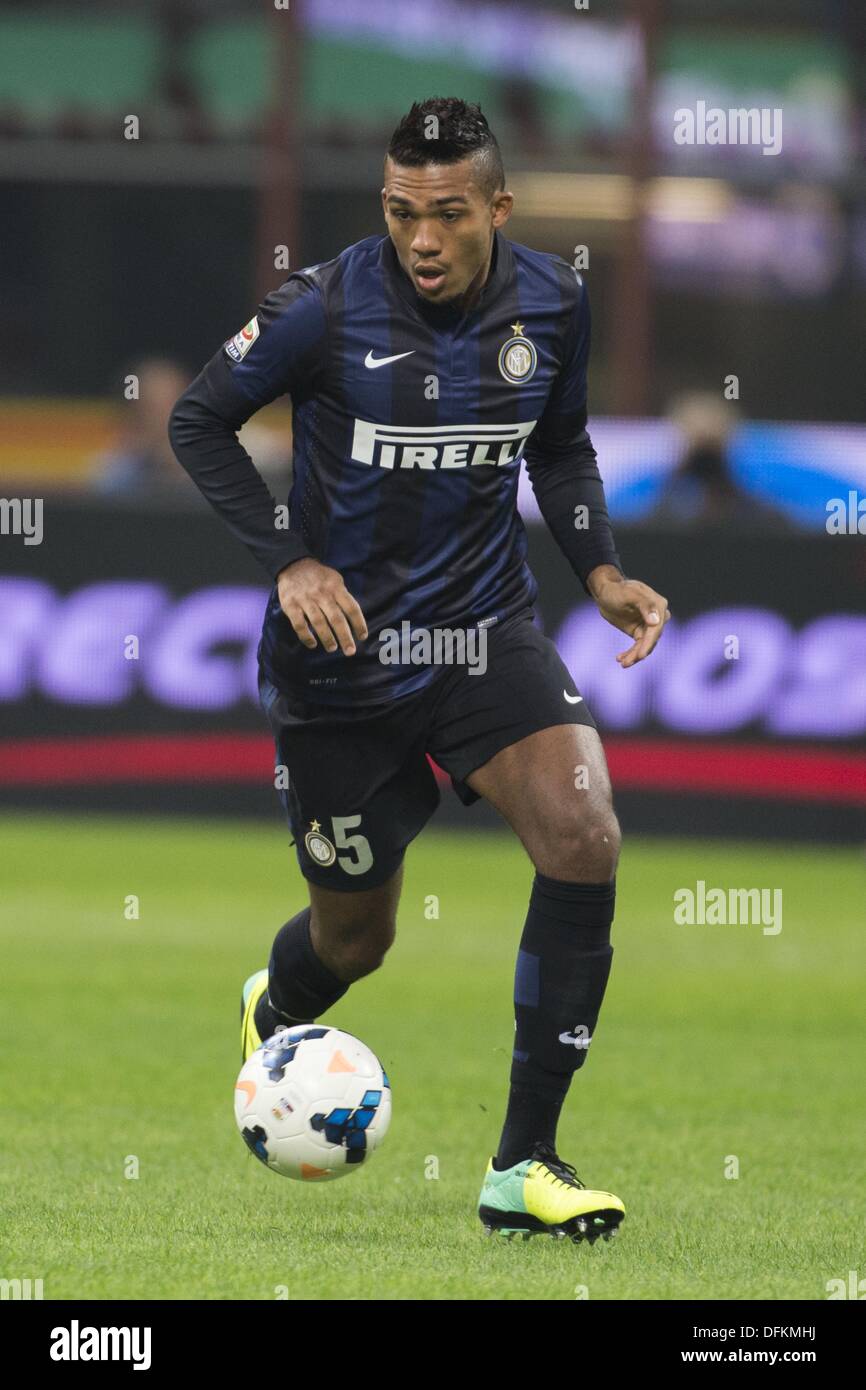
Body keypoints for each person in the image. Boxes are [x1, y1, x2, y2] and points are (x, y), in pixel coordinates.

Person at [169, 98, 669, 1244]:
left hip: (484, 631)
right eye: (402, 213)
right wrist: (290, 561)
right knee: (355, 941)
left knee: (584, 835)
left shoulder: (554, 300)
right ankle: (280, 998)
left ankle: (522, 1166)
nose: (423, 239)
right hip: (340, 665)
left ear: (499, 206)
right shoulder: (324, 306)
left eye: (448, 214)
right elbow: (199, 421)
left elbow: (560, 443)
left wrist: (596, 571)